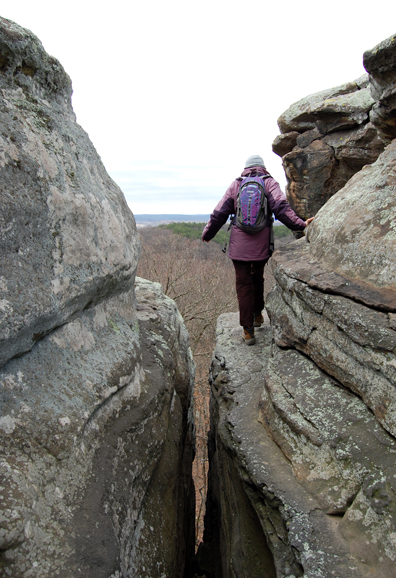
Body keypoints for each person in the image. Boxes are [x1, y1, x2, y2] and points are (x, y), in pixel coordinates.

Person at [202, 155, 314, 345]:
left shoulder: (236, 184)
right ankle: (257, 315)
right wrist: (301, 225)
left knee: (243, 285)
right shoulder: (269, 183)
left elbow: (219, 212)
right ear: (263, 168)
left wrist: (208, 233)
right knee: (257, 278)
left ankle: (247, 331)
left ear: (246, 169)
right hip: (261, 243)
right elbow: (281, 208)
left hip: (239, 246)